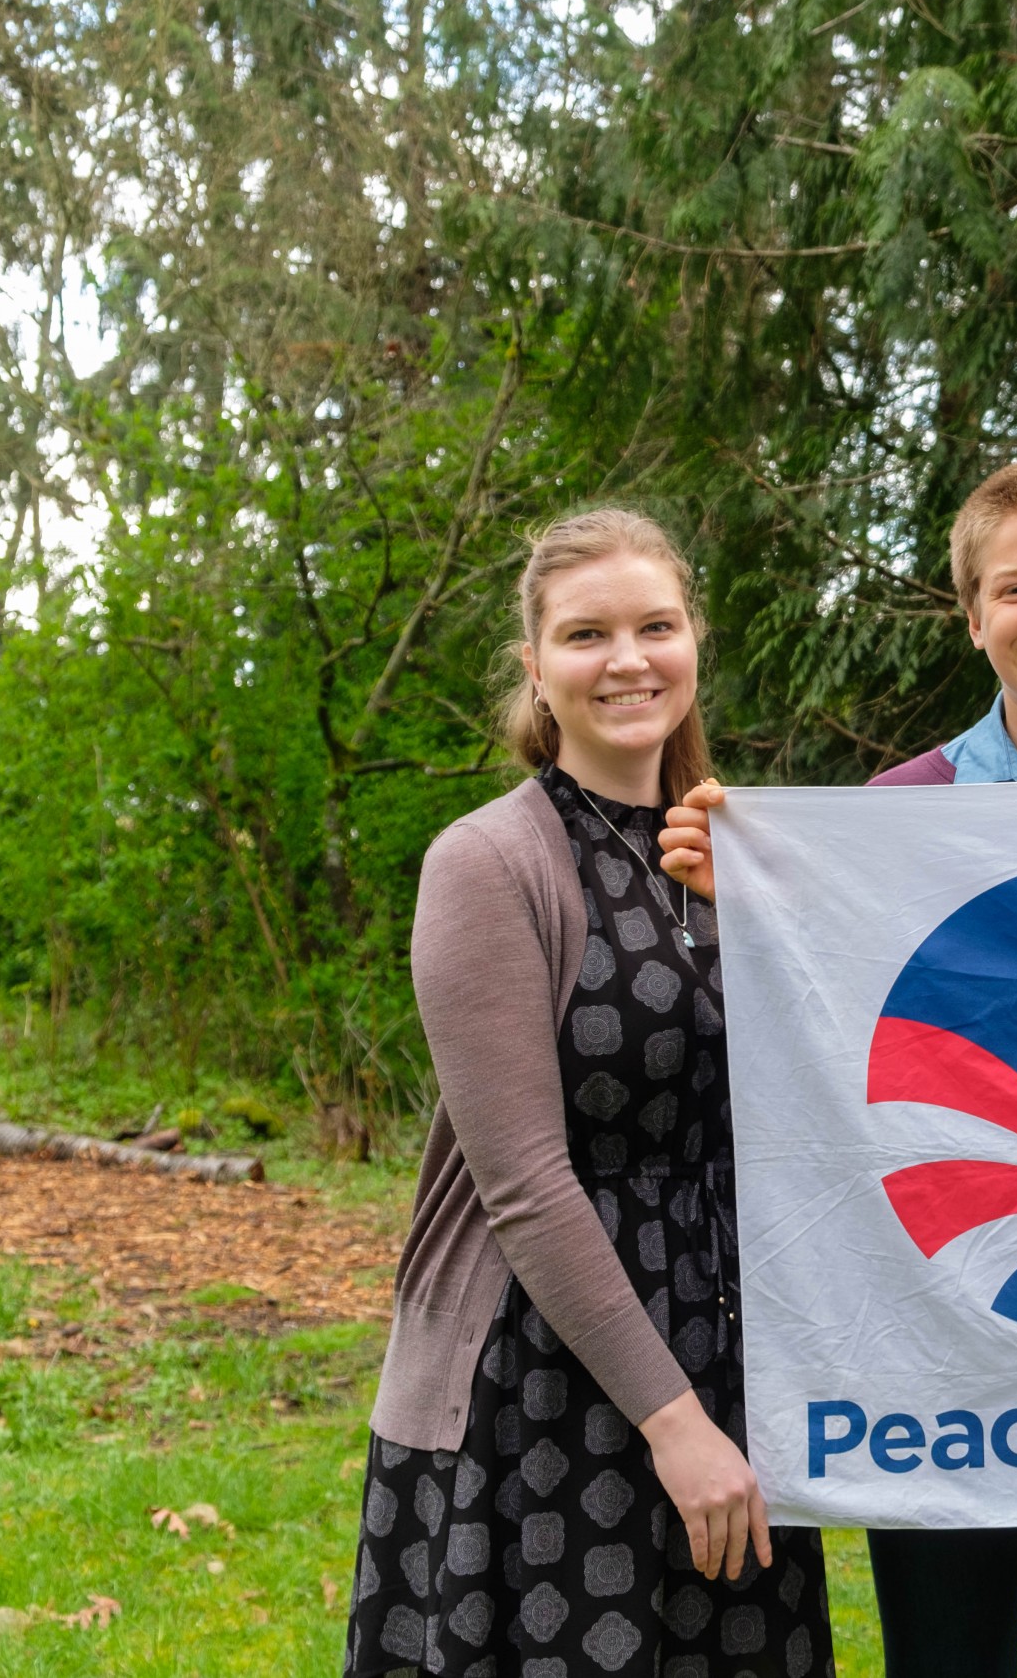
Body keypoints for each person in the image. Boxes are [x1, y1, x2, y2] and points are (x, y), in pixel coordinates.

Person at [660, 457, 1017, 1678]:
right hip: (940, 1343)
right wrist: (755, 901)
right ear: (973, 616)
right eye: (1015, 588)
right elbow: (829, 1034)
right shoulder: (891, 811)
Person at [344, 506, 831, 1678]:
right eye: (585, 635)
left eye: (654, 626)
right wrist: (672, 1424)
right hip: (547, 1381)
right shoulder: (488, 864)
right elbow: (522, 1183)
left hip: (723, 1357)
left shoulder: (740, 851)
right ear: (537, 668)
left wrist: (760, 907)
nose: (626, 660)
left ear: (693, 641)